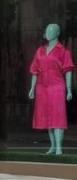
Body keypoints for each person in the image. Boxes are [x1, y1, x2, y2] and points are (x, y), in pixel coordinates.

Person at [29, 23, 73, 155]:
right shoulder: (40, 50)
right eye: (46, 30)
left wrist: (69, 89)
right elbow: (34, 70)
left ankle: (59, 147)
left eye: (50, 30)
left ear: (57, 33)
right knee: (48, 117)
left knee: (57, 117)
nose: (47, 33)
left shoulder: (63, 51)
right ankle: (53, 146)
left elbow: (68, 70)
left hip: (56, 87)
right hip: (42, 87)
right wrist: (32, 88)